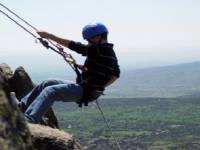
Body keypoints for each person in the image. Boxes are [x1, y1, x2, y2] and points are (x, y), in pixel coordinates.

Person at [16, 23, 120, 123]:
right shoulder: (108, 51)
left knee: (50, 91)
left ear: (99, 37)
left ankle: (30, 119)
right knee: (48, 82)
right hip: (87, 88)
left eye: (89, 40)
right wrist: (98, 84)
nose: (88, 43)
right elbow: (116, 74)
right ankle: (22, 106)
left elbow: (74, 46)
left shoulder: (99, 50)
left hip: (86, 90)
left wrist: (49, 36)